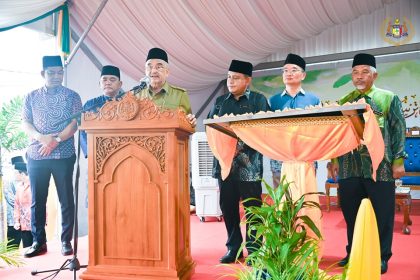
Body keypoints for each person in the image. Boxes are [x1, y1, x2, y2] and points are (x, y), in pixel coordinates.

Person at [331, 53, 406, 274]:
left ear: (374, 75)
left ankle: (382, 256)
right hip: (349, 165)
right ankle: (353, 251)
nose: (359, 76)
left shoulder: (388, 98)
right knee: (351, 212)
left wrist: (398, 161)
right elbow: (338, 133)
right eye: (355, 72)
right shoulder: (345, 101)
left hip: (380, 166)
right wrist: (334, 160)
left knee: (382, 213)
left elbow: (398, 130)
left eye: (365, 72)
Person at [207, 59, 270, 264]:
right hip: (225, 165)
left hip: (249, 166)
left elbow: (263, 130)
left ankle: (254, 250)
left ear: (247, 80)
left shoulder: (259, 100)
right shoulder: (220, 101)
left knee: (253, 208)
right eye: (228, 77)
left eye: (235, 77)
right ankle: (233, 248)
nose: (230, 81)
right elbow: (209, 128)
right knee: (228, 207)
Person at [22, 55, 82, 258]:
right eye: (51, 73)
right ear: (42, 74)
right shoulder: (31, 96)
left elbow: (74, 124)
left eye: (60, 72)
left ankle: (66, 241)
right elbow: (26, 123)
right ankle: (39, 242)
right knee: (37, 200)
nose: (57, 76)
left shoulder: (72, 96)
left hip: (63, 154)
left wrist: (55, 140)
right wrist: (41, 138)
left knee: (66, 198)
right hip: (36, 154)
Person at [269, 53, 320, 187]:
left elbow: (318, 129)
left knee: (306, 196)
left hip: (306, 155)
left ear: (303, 75)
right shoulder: (273, 101)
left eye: (293, 70)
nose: (288, 73)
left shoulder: (313, 100)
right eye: (285, 71)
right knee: (282, 199)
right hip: (280, 157)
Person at [133, 47, 196, 127]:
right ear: (145, 71)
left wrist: (191, 122)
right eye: (150, 67)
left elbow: (189, 124)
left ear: (167, 72)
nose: (154, 71)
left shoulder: (180, 95)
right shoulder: (135, 94)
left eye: (159, 67)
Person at [80, 65, 124, 157]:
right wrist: (90, 151)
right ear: (99, 84)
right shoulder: (90, 105)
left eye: (112, 80)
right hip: (97, 153)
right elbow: (82, 130)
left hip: (122, 151)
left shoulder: (128, 104)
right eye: (104, 80)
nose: (108, 83)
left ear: (120, 84)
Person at [3, 156, 25, 248]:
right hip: (13, 220)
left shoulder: (25, 178)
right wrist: (24, 207)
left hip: (25, 220)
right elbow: (11, 200)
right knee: (13, 247)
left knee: (28, 246)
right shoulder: (8, 180)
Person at [13, 162, 34, 248]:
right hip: (24, 225)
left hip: (36, 224)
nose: (14, 175)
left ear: (22, 174)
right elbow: (17, 205)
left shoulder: (34, 185)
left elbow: (42, 203)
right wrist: (17, 221)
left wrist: (44, 220)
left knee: (40, 250)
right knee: (27, 249)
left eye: (16, 173)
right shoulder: (19, 187)